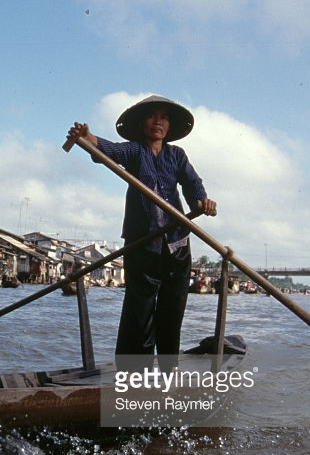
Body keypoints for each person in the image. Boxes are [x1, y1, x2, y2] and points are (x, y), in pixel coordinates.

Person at [67, 95, 216, 360]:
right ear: (141, 122)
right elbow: (110, 151)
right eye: (151, 116)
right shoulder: (135, 151)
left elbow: (192, 183)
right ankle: (136, 371)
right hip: (143, 242)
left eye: (164, 117)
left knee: (173, 309)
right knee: (140, 309)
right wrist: (90, 140)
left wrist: (202, 201)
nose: (157, 122)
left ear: (169, 126)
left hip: (177, 243)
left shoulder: (177, 155)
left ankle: (169, 368)